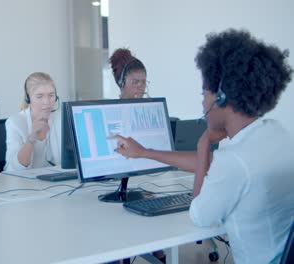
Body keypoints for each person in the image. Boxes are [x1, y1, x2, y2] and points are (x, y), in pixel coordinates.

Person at [111, 29, 294, 264]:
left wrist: (204, 142)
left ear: (221, 99)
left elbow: (198, 215)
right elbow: (216, 166)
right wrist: (144, 152)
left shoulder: (234, 160)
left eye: (204, 94)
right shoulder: (276, 134)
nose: (202, 102)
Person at [110, 48, 166, 263]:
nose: (141, 88)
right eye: (136, 82)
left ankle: (155, 246)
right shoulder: (109, 112)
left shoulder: (150, 112)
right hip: (116, 182)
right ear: (122, 83)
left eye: (144, 82)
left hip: (148, 182)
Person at [3, 72, 61, 171]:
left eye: (51, 95)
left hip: (56, 181)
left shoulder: (60, 118)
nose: (47, 102)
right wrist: (32, 138)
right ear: (28, 97)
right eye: (39, 96)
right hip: (25, 182)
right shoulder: (15, 122)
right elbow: (13, 169)